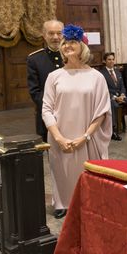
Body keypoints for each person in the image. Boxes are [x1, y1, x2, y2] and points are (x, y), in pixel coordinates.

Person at [42, 24, 111, 218]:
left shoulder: (96, 77)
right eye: (65, 43)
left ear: (82, 47)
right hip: (60, 135)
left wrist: (85, 137)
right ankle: (62, 203)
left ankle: (89, 203)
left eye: (72, 42)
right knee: (61, 172)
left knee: (85, 173)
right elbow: (46, 109)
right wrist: (58, 137)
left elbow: (101, 111)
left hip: (87, 136)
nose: (67, 46)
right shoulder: (54, 76)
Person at [27, 20, 64, 142]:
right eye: (51, 33)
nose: (55, 37)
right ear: (44, 36)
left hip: (71, 114)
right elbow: (35, 91)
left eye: (59, 33)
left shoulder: (72, 56)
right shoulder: (35, 59)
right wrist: (51, 111)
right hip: (47, 116)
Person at [101, 51, 127, 140]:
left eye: (113, 59)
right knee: (115, 106)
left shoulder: (117, 71)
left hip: (121, 95)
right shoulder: (102, 73)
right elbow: (103, 89)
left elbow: (122, 86)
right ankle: (114, 131)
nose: (111, 61)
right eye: (109, 59)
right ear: (104, 61)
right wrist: (115, 97)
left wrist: (123, 95)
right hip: (110, 97)